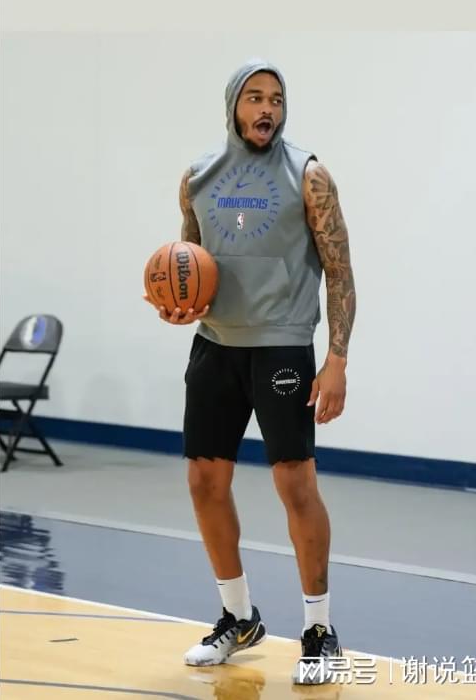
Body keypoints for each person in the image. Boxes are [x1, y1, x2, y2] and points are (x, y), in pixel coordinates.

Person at [145, 60, 356, 685]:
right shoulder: (198, 176)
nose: (267, 108)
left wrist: (337, 358)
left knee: (295, 486)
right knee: (204, 483)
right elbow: (190, 260)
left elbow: (340, 271)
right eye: (255, 98)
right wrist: (179, 306)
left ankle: (318, 630)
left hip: (283, 348)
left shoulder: (309, 175)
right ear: (234, 105)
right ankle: (238, 617)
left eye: (277, 99)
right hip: (216, 347)